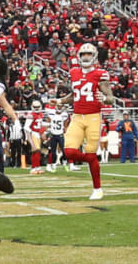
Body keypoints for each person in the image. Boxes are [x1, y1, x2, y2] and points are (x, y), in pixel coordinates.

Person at [50, 43, 115, 200]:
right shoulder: (74, 72)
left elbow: (111, 99)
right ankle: (92, 160)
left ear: (94, 56)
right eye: (83, 54)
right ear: (79, 57)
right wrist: (60, 101)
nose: (85, 57)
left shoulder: (101, 74)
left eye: (88, 54)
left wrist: (104, 99)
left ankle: (97, 188)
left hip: (93, 116)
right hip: (77, 116)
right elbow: (74, 95)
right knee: (69, 151)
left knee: (90, 150)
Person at [44, 103, 69, 172]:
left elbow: (65, 125)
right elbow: (48, 123)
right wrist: (47, 132)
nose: (60, 107)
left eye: (61, 106)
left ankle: (65, 163)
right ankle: (53, 164)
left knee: (64, 150)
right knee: (53, 151)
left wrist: (65, 132)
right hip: (53, 134)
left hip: (60, 134)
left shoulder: (64, 115)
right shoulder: (51, 113)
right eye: (59, 106)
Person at [24, 100, 46, 174]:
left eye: (37, 107)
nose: (36, 108)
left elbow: (41, 125)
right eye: (35, 107)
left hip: (37, 134)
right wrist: (31, 133)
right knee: (36, 149)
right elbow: (26, 127)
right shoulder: (31, 115)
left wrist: (43, 131)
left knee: (37, 151)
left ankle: (37, 167)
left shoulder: (41, 114)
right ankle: (34, 168)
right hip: (32, 133)